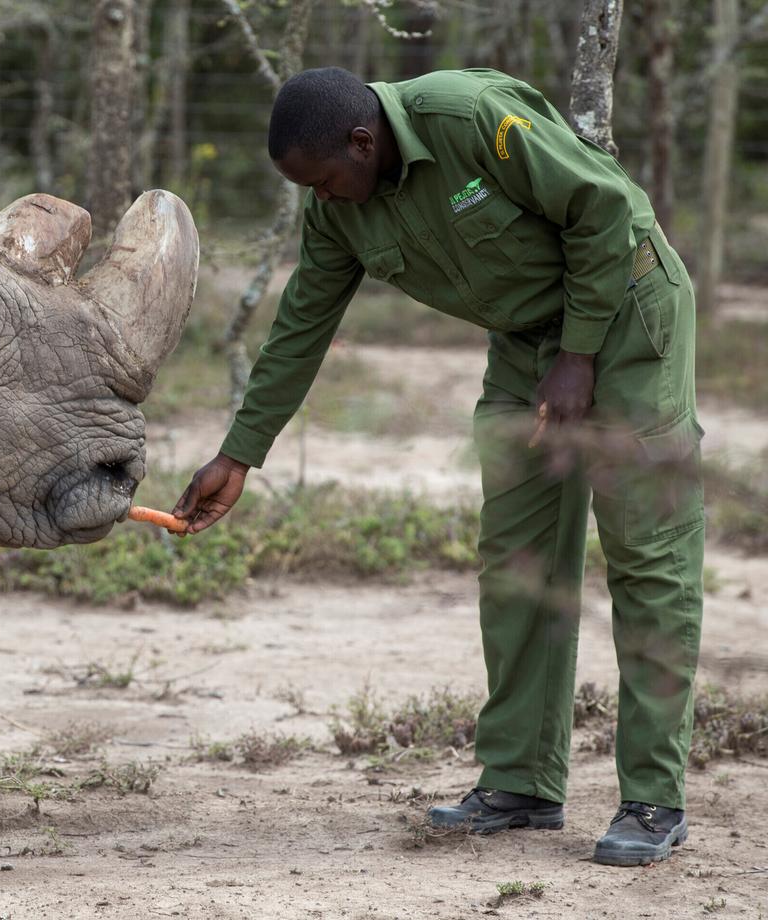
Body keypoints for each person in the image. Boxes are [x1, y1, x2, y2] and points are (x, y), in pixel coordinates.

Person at [171, 67, 703, 868]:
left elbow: (608, 208)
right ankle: (521, 781)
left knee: (646, 554)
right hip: (527, 343)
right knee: (519, 559)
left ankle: (654, 798)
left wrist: (580, 356)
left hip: (624, 316)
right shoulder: (337, 209)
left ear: (363, 141)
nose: (324, 200)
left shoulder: (468, 118)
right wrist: (239, 454)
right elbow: (301, 326)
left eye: (325, 181)